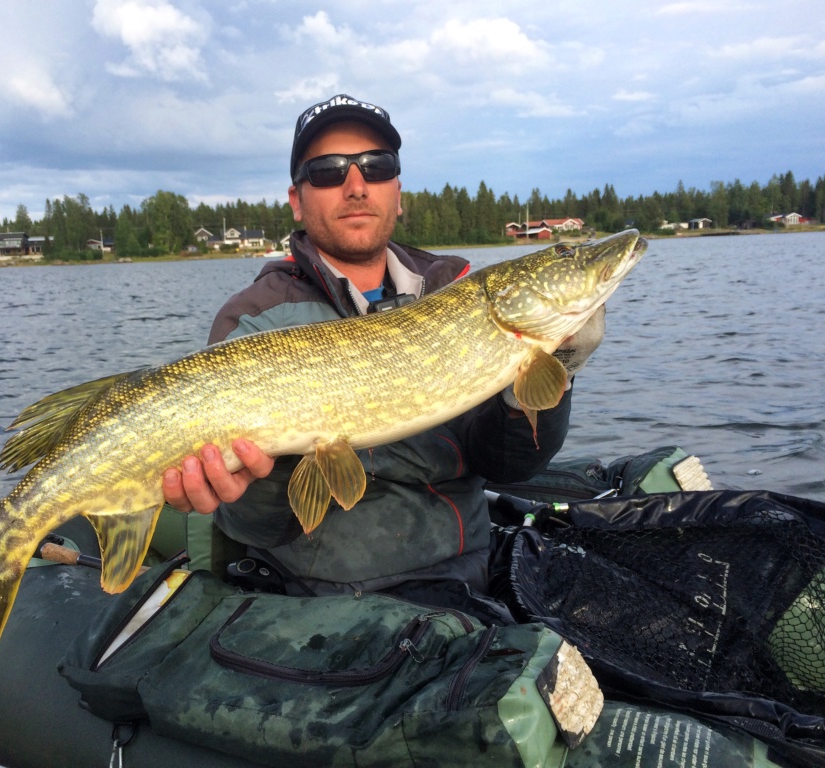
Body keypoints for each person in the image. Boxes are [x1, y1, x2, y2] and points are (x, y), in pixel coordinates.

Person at [161, 94, 602, 611]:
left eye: (377, 166)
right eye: (326, 171)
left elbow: (511, 462)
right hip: (317, 599)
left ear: (397, 192)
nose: (355, 185)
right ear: (297, 200)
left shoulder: (453, 289)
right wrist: (259, 475)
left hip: (466, 577)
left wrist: (558, 370)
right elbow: (254, 526)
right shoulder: (255, 318)